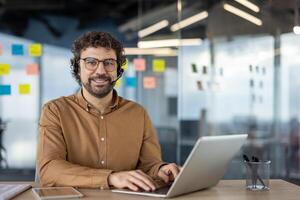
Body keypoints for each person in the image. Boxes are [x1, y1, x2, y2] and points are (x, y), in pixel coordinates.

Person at [37, 31, 180, 191]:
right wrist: (110, 177)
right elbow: (49, 170)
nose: (100, 71)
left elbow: (149, 165)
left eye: (109, 63)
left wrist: (162, 170)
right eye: (91, 62)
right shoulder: (55, 111)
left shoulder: (138, 113)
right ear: (78, 68)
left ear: (118, 69)